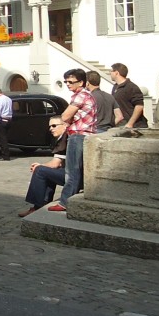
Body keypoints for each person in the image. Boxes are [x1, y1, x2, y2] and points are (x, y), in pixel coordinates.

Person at [53, 67, 97, 211]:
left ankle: (65, 202)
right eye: (66, 81)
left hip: (78, 135)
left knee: (72, 170)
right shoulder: (86, 95)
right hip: (83, 134)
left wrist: (66, 120)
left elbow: (65, 116)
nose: (68, 84)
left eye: (71, 81)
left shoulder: (81, 96)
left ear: (81, 82)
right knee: (76, 169)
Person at [18, 117, 68, 216]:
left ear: (65, 126)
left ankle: (37, 205)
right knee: (47, 171)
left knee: (40, 171)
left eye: (54, 126)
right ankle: (42, 204)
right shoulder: (63, 137)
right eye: (50, 126)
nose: (51, 129)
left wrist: (40, 166)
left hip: (74, 178)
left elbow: (55, 163)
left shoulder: (65, 138)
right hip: (72, 174)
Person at [109, 62, 149, 129]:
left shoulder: (131, 87)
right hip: (121, 124)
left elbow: (139, 106)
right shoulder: (115, 87)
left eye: (111, 71)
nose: (110, 73)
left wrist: (130, 123)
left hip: (134, 126)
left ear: (116, 72)